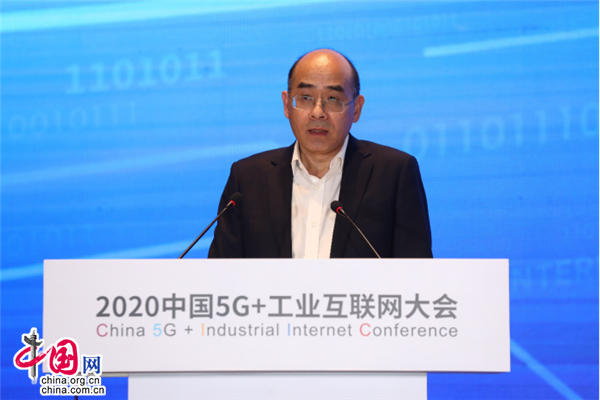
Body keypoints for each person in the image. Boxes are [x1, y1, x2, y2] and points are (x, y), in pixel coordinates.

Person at [208, 49, 432, 259]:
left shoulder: (394, 174)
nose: (318, 113)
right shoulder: (247, 178)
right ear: (286, 105)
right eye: (305, 98)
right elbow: (220, 273)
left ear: (357, 109)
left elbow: (418, 271)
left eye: (333, 99)